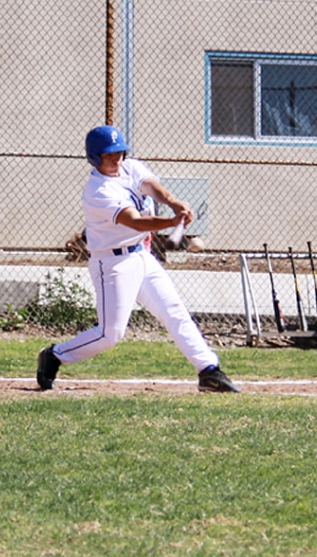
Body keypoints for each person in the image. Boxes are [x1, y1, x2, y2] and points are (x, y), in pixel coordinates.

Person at [36, 125, 240, 393]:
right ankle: (55, 355)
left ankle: (209, 370)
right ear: (95, 158)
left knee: (174, 311)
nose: (116, 159)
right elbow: (134, 221)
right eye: (109, 155)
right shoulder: (98, 191)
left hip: (141, 256)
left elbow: (153, 187)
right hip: (112, 264)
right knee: (110, 334)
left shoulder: (130, 167)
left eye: (119, 152)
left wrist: (175, 203)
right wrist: (170, 221)